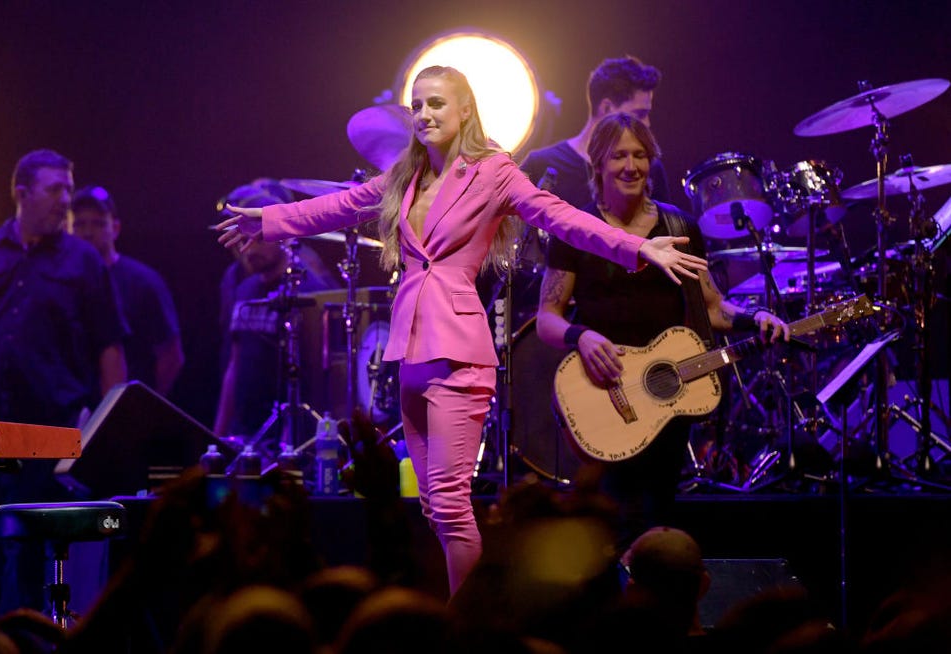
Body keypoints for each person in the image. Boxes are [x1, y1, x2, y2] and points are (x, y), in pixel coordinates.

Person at [217, 65, 708, 595]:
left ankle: (469, 626)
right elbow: (339, 204)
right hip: (410, 349)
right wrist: (266, 220)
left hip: (458, 351)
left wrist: (637, 245)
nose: (424, 114)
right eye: (418, 105)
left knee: (451, 502)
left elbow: (558, 215)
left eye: (436, 104)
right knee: (433, 505)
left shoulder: (492, 171)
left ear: (466, 110)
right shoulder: (406, 175)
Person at [535, 113, 789, 551]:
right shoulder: (577, 229)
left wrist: (755, 318)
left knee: (656, 526)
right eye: (619, 156)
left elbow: (713, 309)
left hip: (667, 396)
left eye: (640, 155)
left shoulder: (679, 228)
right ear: (598, 164)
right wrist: (582, 336)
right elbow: (547, 318)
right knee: (610, 529)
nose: (631, 166)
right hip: (603, 395)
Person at [0, 149, 127, 613]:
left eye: (68, 188)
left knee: (30, 548)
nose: (66, 200)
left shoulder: (84, 261)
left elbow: (109, 346)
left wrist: (111, 429)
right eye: (55, 189)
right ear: (22, 193)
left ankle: (26, 636)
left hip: (51, 431)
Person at [213, 191, 338, 442]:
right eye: (242, 242)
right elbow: (234, 366)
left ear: (282, 236)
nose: (248, 250)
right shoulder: (244, 290)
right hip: (243, 433)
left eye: (257, 240)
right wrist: (218, 434)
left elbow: (316, 377)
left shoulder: (309, 294)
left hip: (287, 435)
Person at [70, 185, 184, 396]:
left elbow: (171, 355)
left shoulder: (143, 282)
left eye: (98, 224)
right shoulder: (64, 282)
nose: (87, 233)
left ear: (115, 228)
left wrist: (142, 403)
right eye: (79, 224)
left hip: (126, 410)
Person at [521, 55, 670, 206]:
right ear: (606, 108)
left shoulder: (650, 169)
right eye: (639, 114)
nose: (647, 123)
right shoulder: (539, 164)